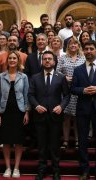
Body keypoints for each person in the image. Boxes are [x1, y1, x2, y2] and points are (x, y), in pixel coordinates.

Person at [71, 41, 96, 180]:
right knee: (82, 142)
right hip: (83, 110)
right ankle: (85, 170)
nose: (89, 51)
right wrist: (83, 90)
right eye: (86, 49)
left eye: (91, 49)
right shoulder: (77, 69)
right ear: (83, 51)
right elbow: (73, 89)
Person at [28, 51, 70, 180]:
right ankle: (42, 169)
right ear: (42, 61)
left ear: (54, 61)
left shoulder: (61, 77)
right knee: (41, 145)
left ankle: (56, 170)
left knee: (54, 145)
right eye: (45, 59)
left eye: (49, 59)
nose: (47, 61)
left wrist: (61, 106)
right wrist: (36, 106)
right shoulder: (35, 77)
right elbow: (30, 95)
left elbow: (67, 95)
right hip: (39, 117)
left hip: (55, 116)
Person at [0, 51, 30, 178]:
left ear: (18, 61)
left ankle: (16, 168)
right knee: (6, 141)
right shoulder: (0, 77)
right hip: (5, 111)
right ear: (7, 61)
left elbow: (26, 95)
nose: (12, 60)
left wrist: (27, 112)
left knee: (18, 141)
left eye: (14, 58)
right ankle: (8, 168)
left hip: (19, 111)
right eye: (10, 58)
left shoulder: (24, 77)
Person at [56, 36, 85, 149]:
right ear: (67, 46)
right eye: (71, 44)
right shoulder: (63, 58)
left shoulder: (83, 58)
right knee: (66, 118)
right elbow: (57, 72)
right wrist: (65, 78)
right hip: (65, 90)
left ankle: (78, 140)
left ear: (78, 46)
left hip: (79, 91)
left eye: (75, 44)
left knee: (78, 117)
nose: (73, 45)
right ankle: (66, 140)